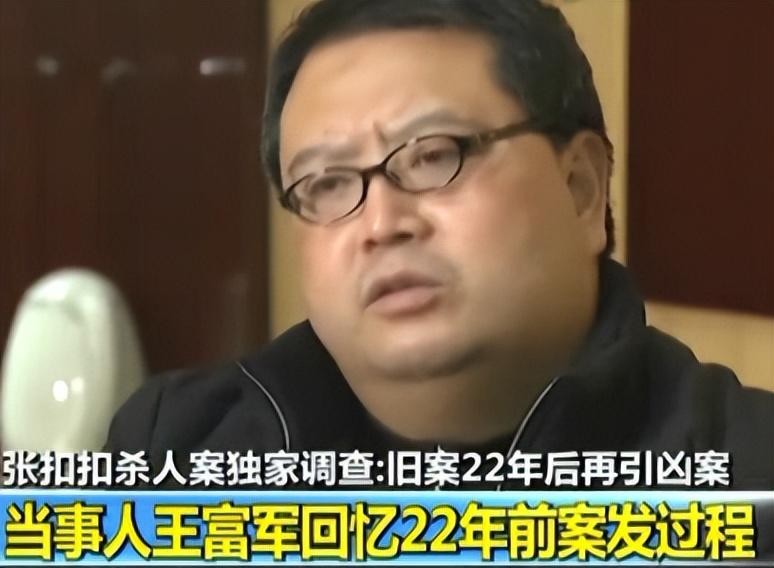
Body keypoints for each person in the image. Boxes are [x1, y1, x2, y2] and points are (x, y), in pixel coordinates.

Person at [107, 0, 773, 491]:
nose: (381, 224)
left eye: (432, 155)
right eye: (327, 183)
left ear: (581, 189)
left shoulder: (747, 479)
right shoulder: (176, 449)